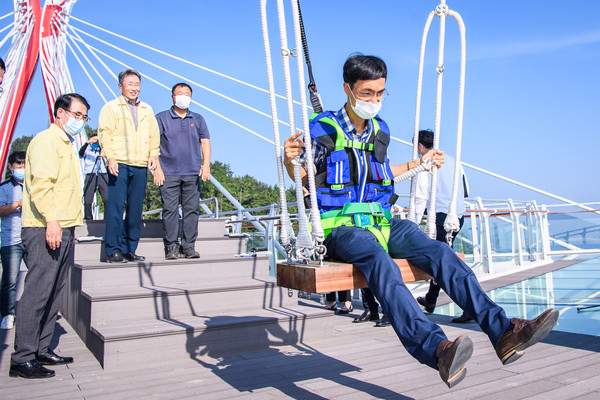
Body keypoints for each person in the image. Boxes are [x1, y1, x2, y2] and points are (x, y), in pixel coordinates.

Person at [283, 54, 558, 388]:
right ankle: (435, 349)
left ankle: (503, 333)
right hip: (340, 227)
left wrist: (420, 163)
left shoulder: (380, 130)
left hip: (381, 222)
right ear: (348, 89)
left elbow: (382, 175)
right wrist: (288, 161)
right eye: (367, 93)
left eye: (380, 93)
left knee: (440, 252)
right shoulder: (322, 127)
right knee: (378, 261)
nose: (375, 101)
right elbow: (304, 178)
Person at [9, 93, 90, 379]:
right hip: (45, 226)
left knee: (55, 292)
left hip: (63, 227)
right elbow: (41, 185)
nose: (80, 121)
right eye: (77, 115)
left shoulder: (67, 145)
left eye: (84, 117)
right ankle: (23, 357)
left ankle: (42, 348)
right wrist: (53, 222)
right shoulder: (46, 141)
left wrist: (69, 226)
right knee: (38, 292)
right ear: (60, 113)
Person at [98, 69, 160, 263]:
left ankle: (129, 248)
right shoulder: (111, 107)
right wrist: (110, 157)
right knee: (116, 208)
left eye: (137, 84)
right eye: (130, 84)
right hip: (120, 163)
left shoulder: (147, 109)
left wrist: (153, 155)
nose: (134, 88)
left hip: (140, 165)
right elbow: (105, 133)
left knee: (135, 210)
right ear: (120, 86)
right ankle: (113, 249)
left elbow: (153, 135)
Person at [414, 129, 473, 323]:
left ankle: (469, 307)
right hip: (458, 217)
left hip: (440, 219)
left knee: (444, 265)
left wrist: (412, 225)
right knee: (442, 261)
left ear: (421, 147)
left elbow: (420, 199)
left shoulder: (425, 165)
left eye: (416, 148)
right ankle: (431, 300)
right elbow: (465, 191)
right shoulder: (455, 161)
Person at [153, 83, 211, 259]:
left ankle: (188, 246)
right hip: (168, 172)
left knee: (191, 209)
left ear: (191, 98)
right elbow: (153, 144)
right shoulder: (161, 117)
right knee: (169, 209)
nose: (184, 96)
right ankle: (171, 246)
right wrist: (157, 168)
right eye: (180, 93)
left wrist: (206, 164)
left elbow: (205, 142)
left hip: (192, 171)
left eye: (187, 94)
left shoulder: (198, 118)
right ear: (172, 97)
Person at [0, 151, 26, 330]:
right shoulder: (4, 188)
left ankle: (30, 310)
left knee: (37, 275)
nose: (22, 169)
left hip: (31, 237)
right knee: (10, 279)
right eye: (18, 166)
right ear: (11, 168)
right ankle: (8, 313)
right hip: (11, 240)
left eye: (24, 165)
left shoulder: (34, 185)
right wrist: (17, 204)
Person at [79, 134, 108, 220]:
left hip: (102, 173)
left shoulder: (103, 149)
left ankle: (107, 218)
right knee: (87, 200)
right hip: (90, 174)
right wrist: (88, 142)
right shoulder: (87, 148)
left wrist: (102, 143)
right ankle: (88, 218)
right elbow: (81, 153)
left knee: (107, 198)